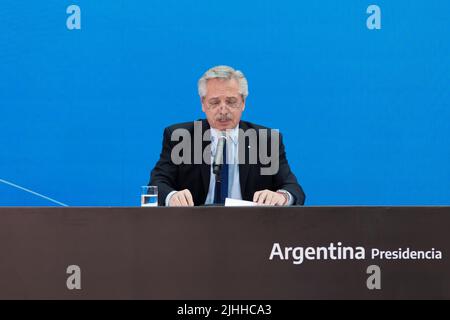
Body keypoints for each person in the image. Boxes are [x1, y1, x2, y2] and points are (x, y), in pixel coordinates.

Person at [149, 65, 305, 206]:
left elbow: (293, 189)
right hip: (193, 226)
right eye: (215, 102)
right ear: (203, 104)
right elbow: (157, 183)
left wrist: (282, 196)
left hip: (251, 227)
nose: (223, 110)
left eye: (231, 102)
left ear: (243, 103)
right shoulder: (181, 137)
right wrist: (172, 196)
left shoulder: (265, 140)